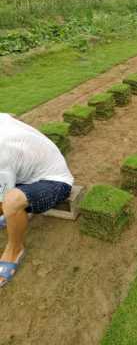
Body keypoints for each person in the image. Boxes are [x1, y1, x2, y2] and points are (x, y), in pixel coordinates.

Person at [0, 113, 74, 288]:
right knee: (9, 200)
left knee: (11, 202)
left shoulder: (1, 151)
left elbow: (2, 204)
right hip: (26, 175)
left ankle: (14, 249)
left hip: (55, 181)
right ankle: (14, 214)